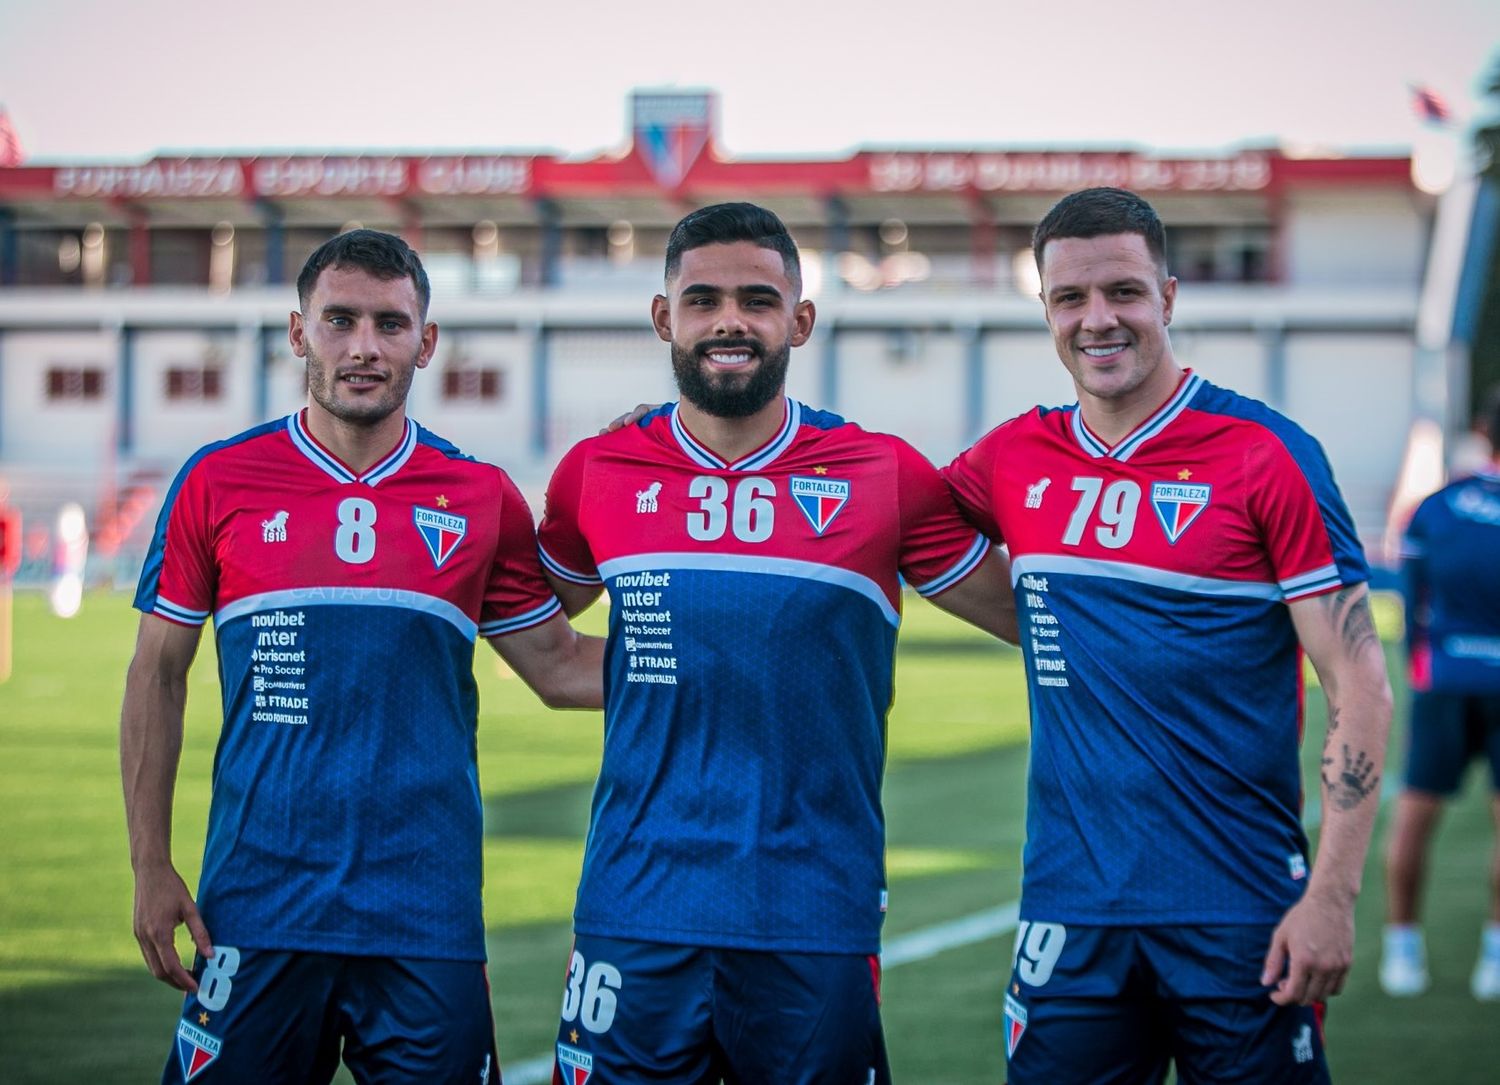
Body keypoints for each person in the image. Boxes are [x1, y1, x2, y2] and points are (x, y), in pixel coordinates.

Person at [535, 202, 1016, 1084]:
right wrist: (666, 670)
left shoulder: (886, 476)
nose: (729, 320)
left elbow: (1035, 617)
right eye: (703, 298)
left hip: (810, 912)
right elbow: (537, 637)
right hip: (634, 905)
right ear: (663, 318)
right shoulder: (596, 474)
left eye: (757, 300)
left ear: (799, 320)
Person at [120, 229, 603, 1084]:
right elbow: (159, 674)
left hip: (426, 918)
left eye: (390, 323)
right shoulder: (218, 480)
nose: (364, 347)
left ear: (427, 341)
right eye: (340, 320)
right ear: (299, 332)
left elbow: (562, 668)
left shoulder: (480, 495)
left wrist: (718, 660)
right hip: (257, 907)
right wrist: (151, 865)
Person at [941, 187, 1393, 1083]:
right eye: (1070, 299)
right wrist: (670, 438)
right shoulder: (1012, 457)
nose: (1097, 320)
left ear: (1169, 297)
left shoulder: (1265, 452)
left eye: (1123, 292)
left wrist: (1331, 898)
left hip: (1244, 912)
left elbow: (1360, 686)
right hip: (1070, 913)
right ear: (1044, 310)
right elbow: (874, 512)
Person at [1381, 395, 1500, 1001]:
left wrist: (1421, 671)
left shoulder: (1437, 507)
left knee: (1413, 818)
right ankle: (1495, 958)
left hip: (1445, 679)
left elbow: (1411, 600)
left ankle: (1401, 949)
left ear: (1482, 430)